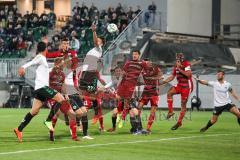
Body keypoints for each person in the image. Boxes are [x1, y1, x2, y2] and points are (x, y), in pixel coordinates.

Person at [13, 42, 79, 142]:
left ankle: (19, 129)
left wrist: (55, 67)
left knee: (34, 111)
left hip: (39, 89)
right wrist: (23, 67)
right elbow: (31, 62)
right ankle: (48, 120)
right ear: (46, 49)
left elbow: (44, 70)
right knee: (61, 98)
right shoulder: (40, 57)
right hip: (42, 88)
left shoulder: (42, 60)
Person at [117, 50, 148, 134]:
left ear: (139, 55)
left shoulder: (142, 63)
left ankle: (134, 128)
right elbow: (123, 74)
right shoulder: (128, 63)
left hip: (131, 88)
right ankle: (138, 129)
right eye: (133, 54)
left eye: (136, 54)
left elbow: (146, 73)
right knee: (133, 109)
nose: (134, 55)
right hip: (125, 86)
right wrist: (119, 86)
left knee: (132, 110)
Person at [160, 53, 193, 130]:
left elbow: (188, 75)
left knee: (183, 104)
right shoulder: (176, 66)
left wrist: (180, 68)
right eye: (177, 58)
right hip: (180, 85)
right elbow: (172, 77)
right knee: (169, 93)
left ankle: (179, 122)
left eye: (179, 58)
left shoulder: (186, 64)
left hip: (187, 86)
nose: (178, 59)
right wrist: (163, 82)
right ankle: (170, 111)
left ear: (182, 58)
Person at [137, 60, 163, 133]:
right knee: (138, 108)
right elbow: (139, 80)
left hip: (154, 92)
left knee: (153, 110)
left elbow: (161, 77)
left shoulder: (156, 69)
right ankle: (138, 126)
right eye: (146, 63)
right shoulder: (142, 70)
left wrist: (153, 79)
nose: (148, 64)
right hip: (145, 92)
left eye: (149, 63)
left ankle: (148, 128)